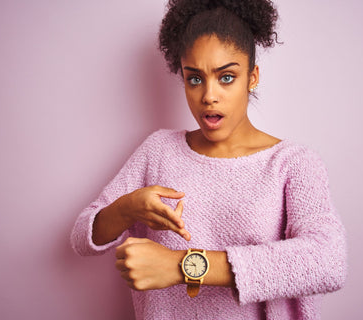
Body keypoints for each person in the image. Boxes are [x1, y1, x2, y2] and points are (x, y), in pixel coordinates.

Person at [70, 0, 348, 319]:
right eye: (195, 78)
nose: (208, 96)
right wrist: (126, 208)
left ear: (252, 77)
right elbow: (82, 237)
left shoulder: (293, 163)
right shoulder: (158, 150)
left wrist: (182, 266)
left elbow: (328, 261)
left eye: (226, 77)